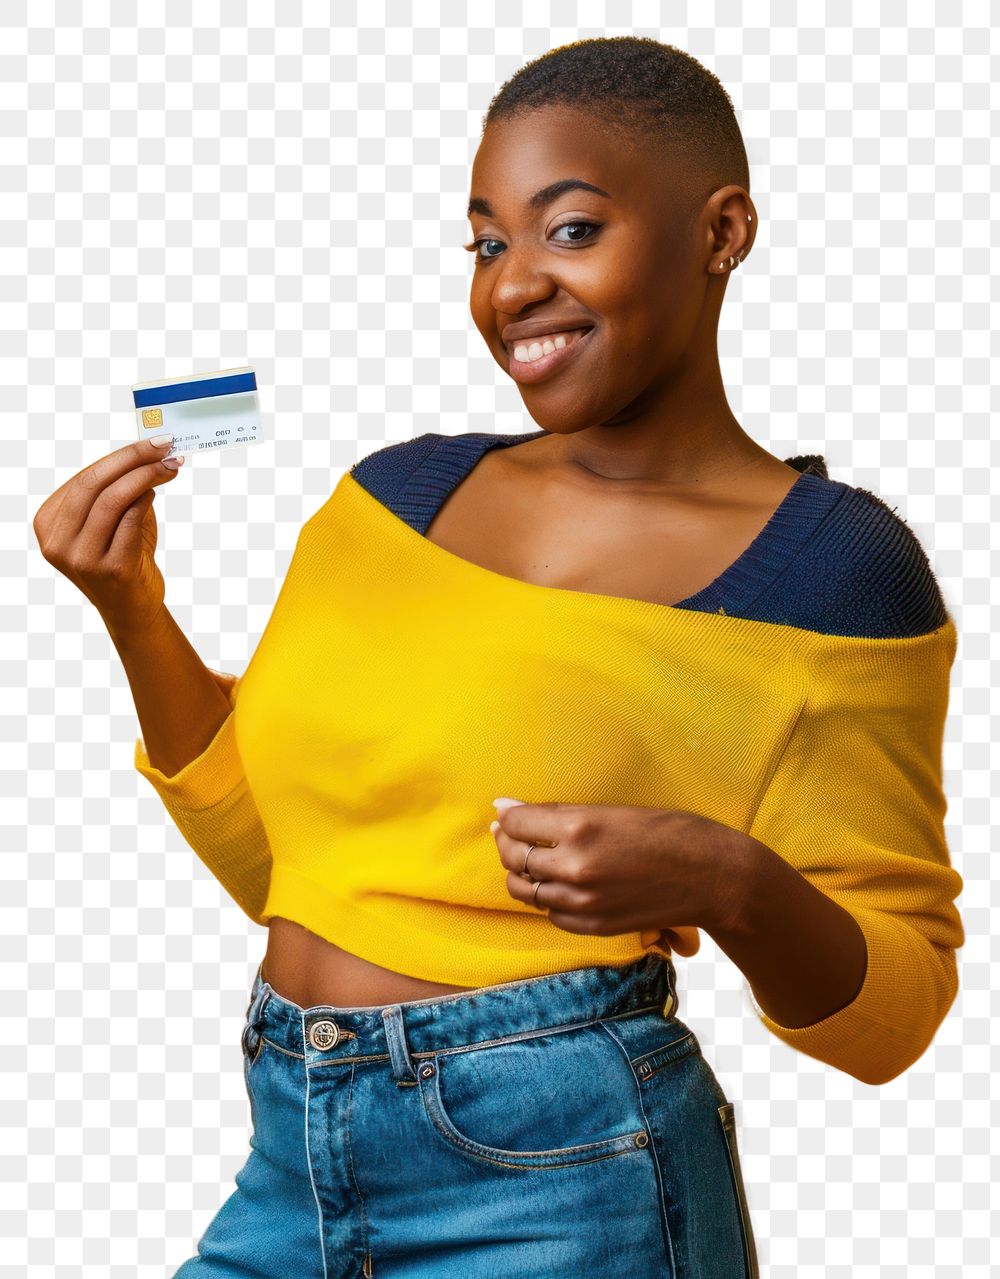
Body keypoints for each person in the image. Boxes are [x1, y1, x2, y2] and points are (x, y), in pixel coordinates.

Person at [32, 36, 964, 1279]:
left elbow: (893, 1019)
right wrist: (132, 608)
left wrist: (729, 879)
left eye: (569, 231)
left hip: (571, 1177)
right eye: (486, 243)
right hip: (290, 1151)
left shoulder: (825, 570)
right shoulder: (390, 496)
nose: (511, 285)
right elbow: (286, 869)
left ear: (721, 229)